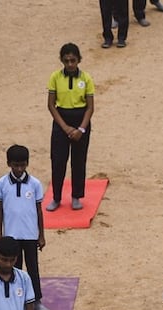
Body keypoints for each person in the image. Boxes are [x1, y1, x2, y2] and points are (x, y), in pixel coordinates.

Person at [0, 145, 49, 310]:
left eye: (22, 165)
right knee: (14, 270)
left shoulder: (35, 184)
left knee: (33, 268)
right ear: (9, 163)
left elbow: (39, 211)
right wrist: (0, 235)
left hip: (30, 235)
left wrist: (41, 235)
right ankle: (16, 303)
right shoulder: (2, 183)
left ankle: (36, 300)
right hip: (11, 236)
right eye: (15, 165)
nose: (19, 169)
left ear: (27, 163)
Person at [46, 43, 94, 213]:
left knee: (79, 160)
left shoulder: (86, 78)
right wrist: (65, 128)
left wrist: (81, 129)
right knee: (58, 161)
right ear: (62, 61)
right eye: (66, 61)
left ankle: (76, 196)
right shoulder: (55, 77)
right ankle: (56, 197)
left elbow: (90, 107)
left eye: (73, 60)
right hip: (61, 120)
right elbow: (51, 105)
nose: (70, 64)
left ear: (79, 60)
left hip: (81, 119)